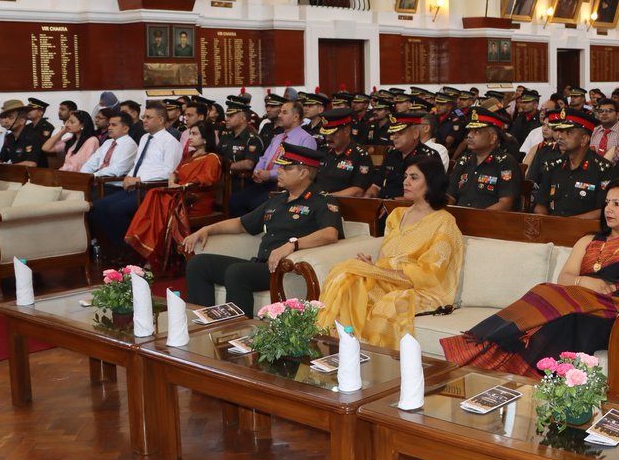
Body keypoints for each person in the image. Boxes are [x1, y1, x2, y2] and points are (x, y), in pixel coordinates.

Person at [442, 177, 619, 376]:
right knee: (545, 291)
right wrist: (585, 282)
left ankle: (524, 375)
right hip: (576, 303)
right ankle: (493, 358)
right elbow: (565, 277)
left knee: (563, 315)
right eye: (607, 203)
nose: (609, 209)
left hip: (609, 315)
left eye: (617, 204)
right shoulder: (589, 241)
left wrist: (607, 290)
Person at [315, 154, 464, 347]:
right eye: (406, 176)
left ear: (432, 183)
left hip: (417, 288)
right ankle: (335, 347)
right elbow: (384, 258)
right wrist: (372, 266)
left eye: (414, 177)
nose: (406, 182)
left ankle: (366, 356)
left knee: (378, 298)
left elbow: (432, 274)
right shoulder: (397, 215)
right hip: (387, 279)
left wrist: (382, 271)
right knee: (345, 278)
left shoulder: (444, 222)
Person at [183, 143, 344, 316]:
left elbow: (330, 233)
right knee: (198, 264)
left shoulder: (322, 201)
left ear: (303, 173)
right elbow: (241, 224)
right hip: (261, 265)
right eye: (280, 166)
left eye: (286, 168)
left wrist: (292, 245)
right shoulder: (278, 199)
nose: (279, 171)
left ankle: (236, 330)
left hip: (284, 269)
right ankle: (201, 323)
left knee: (237, 272)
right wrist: (207, 229)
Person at [89, 101, 184, 260]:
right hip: (135, 186)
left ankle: (132, 251)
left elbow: (168, 171)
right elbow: (139, 163)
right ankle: (121, 247)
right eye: (143, 117)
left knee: (115, 211)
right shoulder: (145, 138)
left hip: (152, 190)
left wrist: (139, 179)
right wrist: (129, 176)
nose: (144, 120)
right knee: (97, 208)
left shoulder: (170, 142)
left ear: (160, 120)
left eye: (148, 117)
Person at [126, 121, 222, 269]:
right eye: (190, 133)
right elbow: (176, 173)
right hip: (180, 194)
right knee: (155, 195)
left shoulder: (212, 158)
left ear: (205, 139)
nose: (190, 137)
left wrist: (182, 187)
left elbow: (206, 180)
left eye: (195, 134)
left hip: (196, 199)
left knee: (159, 199)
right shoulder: (190, 155)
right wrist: (172, 180)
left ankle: (153, 254)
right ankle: (148, 249)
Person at [532, 108, 613, 218]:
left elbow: (603, 210)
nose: (560, 136)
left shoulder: (602, 169)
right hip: (552, 229)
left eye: (568, 133)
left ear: (584, 139)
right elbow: (540, 204)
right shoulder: (552, 166)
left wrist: (568, 224)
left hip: (585, 231)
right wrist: (547, 221)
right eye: (560, 131)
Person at [448, 106, 522, 210]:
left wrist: (476, 218)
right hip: (458, 220)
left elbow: (506, 203)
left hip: (489, 222)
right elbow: (450, 195)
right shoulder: (464, 160)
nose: (469, 135)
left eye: (477, 131)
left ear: (493, 138)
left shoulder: (505, 162)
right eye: (470, 131)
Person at [377, 111, 439, 198]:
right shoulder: (392, 154)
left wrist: (394, 202)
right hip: (383, 205)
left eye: (400, 133)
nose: (394, 137)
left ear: (415, 134)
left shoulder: (428, 157)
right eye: (394, 133)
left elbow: (429, 195)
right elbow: (376, 185)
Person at [79, 111, 138, 179]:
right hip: (97, 181)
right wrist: (84, 176)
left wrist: (94, 175)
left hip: (113, 185)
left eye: (114, 125)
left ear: (125, 129)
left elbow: (117, 170)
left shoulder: (130, 145)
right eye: (109, 125)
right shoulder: (108, 142)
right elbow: (91, 163)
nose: (109, 128)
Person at [0, 100, 43, 166]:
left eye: (10, 117)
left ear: (22, 121)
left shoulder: (33, 137)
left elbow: (31, 164)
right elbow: (0, 158)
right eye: (5, 117)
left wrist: (7, 168)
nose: (6, 121)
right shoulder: (9, 137)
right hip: (16, 174)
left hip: (36, 175)